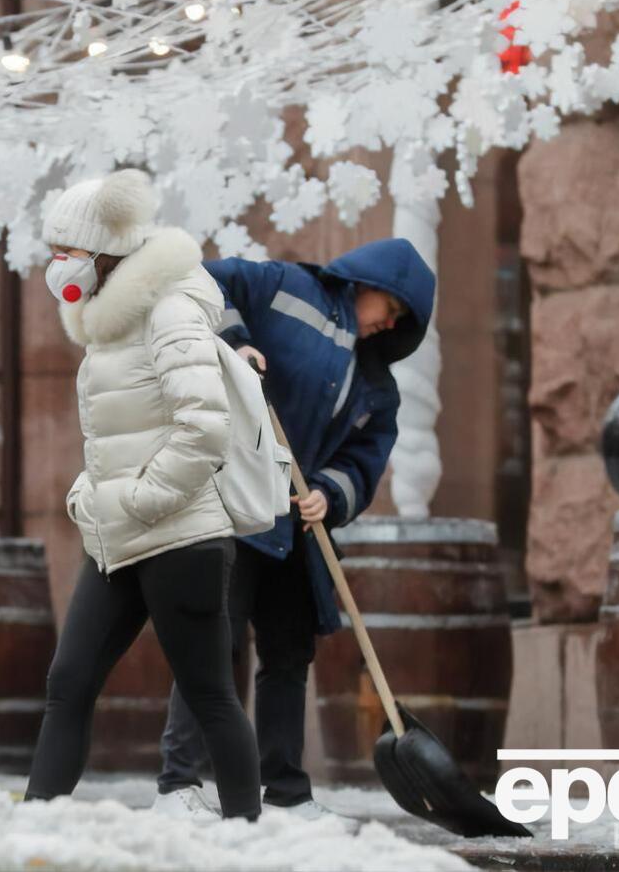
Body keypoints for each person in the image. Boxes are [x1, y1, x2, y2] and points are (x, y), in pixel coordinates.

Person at [153, 238, 435, 822]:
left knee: (287, 653)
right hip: (235, 504)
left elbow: (365, 457)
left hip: (295, 529)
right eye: (393, 306)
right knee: (215, 641)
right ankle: (179, 781)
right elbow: (203, 281)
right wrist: (235, 344)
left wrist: (329, 492)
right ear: (369, 282)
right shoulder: (283, 287)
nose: (389, 323)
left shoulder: (378, 386)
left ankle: (285, 792)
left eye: (402, 321)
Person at [24, 170, 262, 822]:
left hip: (180, 537)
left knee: (210, 694)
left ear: (104, 251)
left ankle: (249, 838)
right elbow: (119, 430)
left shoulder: (171, 310)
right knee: (67, 683)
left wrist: (139, 498)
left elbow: (203, 427)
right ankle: (33, 826)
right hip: (117, 536)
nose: (56, 265)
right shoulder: (110, 320)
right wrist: (92, 491)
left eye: (65, 251)